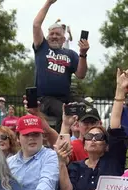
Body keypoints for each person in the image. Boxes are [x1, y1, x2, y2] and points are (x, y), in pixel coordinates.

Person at [33, 0, 89, 128]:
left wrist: (83, 54)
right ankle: (60, 143)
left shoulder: (71, 54)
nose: (54, 36)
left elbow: (81, 74)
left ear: (63, 39)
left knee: (87, 109)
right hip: (45, 99)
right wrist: (48, 3)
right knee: (65, 112)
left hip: (66, 97)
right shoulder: (42, 47)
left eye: (57, 34)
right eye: (51, 33)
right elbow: (36, 25)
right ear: (47, 37)